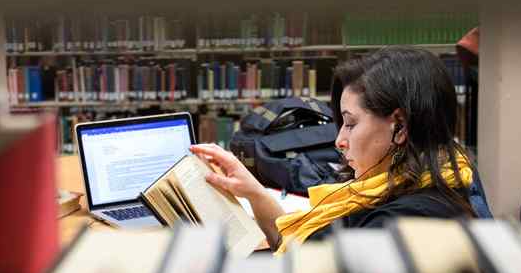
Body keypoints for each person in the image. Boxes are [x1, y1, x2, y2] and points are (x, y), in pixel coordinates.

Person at [191, 47, 477, 255]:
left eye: (351, 124)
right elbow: (305, 252)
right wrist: (254, 192)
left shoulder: (395, 228)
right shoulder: (424, 184)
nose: (339, 141)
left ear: (399, 126)